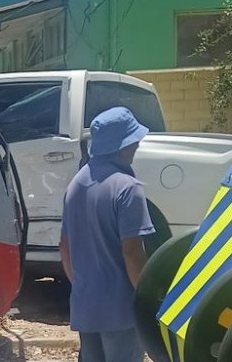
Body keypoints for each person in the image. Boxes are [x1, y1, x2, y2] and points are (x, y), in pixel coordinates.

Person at [59, 106, 154, 362]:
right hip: (120, 312)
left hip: (86, 307)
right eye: (134, 140)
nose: (137, 145)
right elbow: (132, 252)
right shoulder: (127, 189)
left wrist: (83, 287)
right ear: (122, 145)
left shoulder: (75, 185)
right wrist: (149, 301)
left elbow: (65, 248)